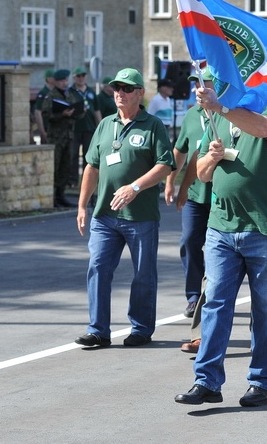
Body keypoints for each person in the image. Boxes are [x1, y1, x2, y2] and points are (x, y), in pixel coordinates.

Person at [174, 82, 267, 408]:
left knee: (266, 311)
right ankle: (206, 381)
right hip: (222, 229)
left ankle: (262, 382)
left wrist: (221, 108)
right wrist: (211, 159)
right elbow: (201, 173)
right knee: (215, 304)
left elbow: (264, 128)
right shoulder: (217, 119)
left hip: (265, 230)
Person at [75, 68, 174, 349]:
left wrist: (135, 187)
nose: (120, 93)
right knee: (98, 268)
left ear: (141, 93)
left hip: (140, 216)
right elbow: (92, 166)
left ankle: (141, 328)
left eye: (127, 88)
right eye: (117, 88)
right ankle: (98, 330)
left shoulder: (152, 125)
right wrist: (83, 205)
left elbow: (165, 164)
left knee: (143, 273)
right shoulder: (106, 124)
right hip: (105, 215)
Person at [165, 67, 215, 323]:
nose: (198, 88)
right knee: (189, 242)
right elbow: (180, 149)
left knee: (221, 249)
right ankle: (194, 296)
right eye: (196, 83)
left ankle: (215, 293)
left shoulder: (230, 114)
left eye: (204, 83)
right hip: (196, 194)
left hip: (222, 196)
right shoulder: (191, 115)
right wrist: (171, 180)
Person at [40, 69, 85, 207]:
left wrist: (76, 112)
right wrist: (62, 115)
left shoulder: (70, 95)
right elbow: (46, 114)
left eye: (66, 81)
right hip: (56, 137)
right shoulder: (51, 96)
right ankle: (53, 197)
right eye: (62, 81)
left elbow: (78, 113)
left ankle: (61, 195)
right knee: (56, 166)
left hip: (69, 136)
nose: (65, 83)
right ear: (56, 82)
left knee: (66, 166)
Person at [71, 66, 100, 185]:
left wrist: (100, 126)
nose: (81, 78)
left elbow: (97, 110)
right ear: (74, 78)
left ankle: (86, 179)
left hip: (89, 128)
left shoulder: (91, 91)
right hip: (74, 128)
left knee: (88, 156)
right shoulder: (70, 91)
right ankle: (72, 180)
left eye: (83, 75)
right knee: (73, 155)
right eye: (78, 76)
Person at [33, 69, 55, 144]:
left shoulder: (57, 92)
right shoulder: (43, 93)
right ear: (48, 79)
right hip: (47, 129)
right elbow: (38, 112)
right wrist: (42, 131)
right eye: (53, 77)